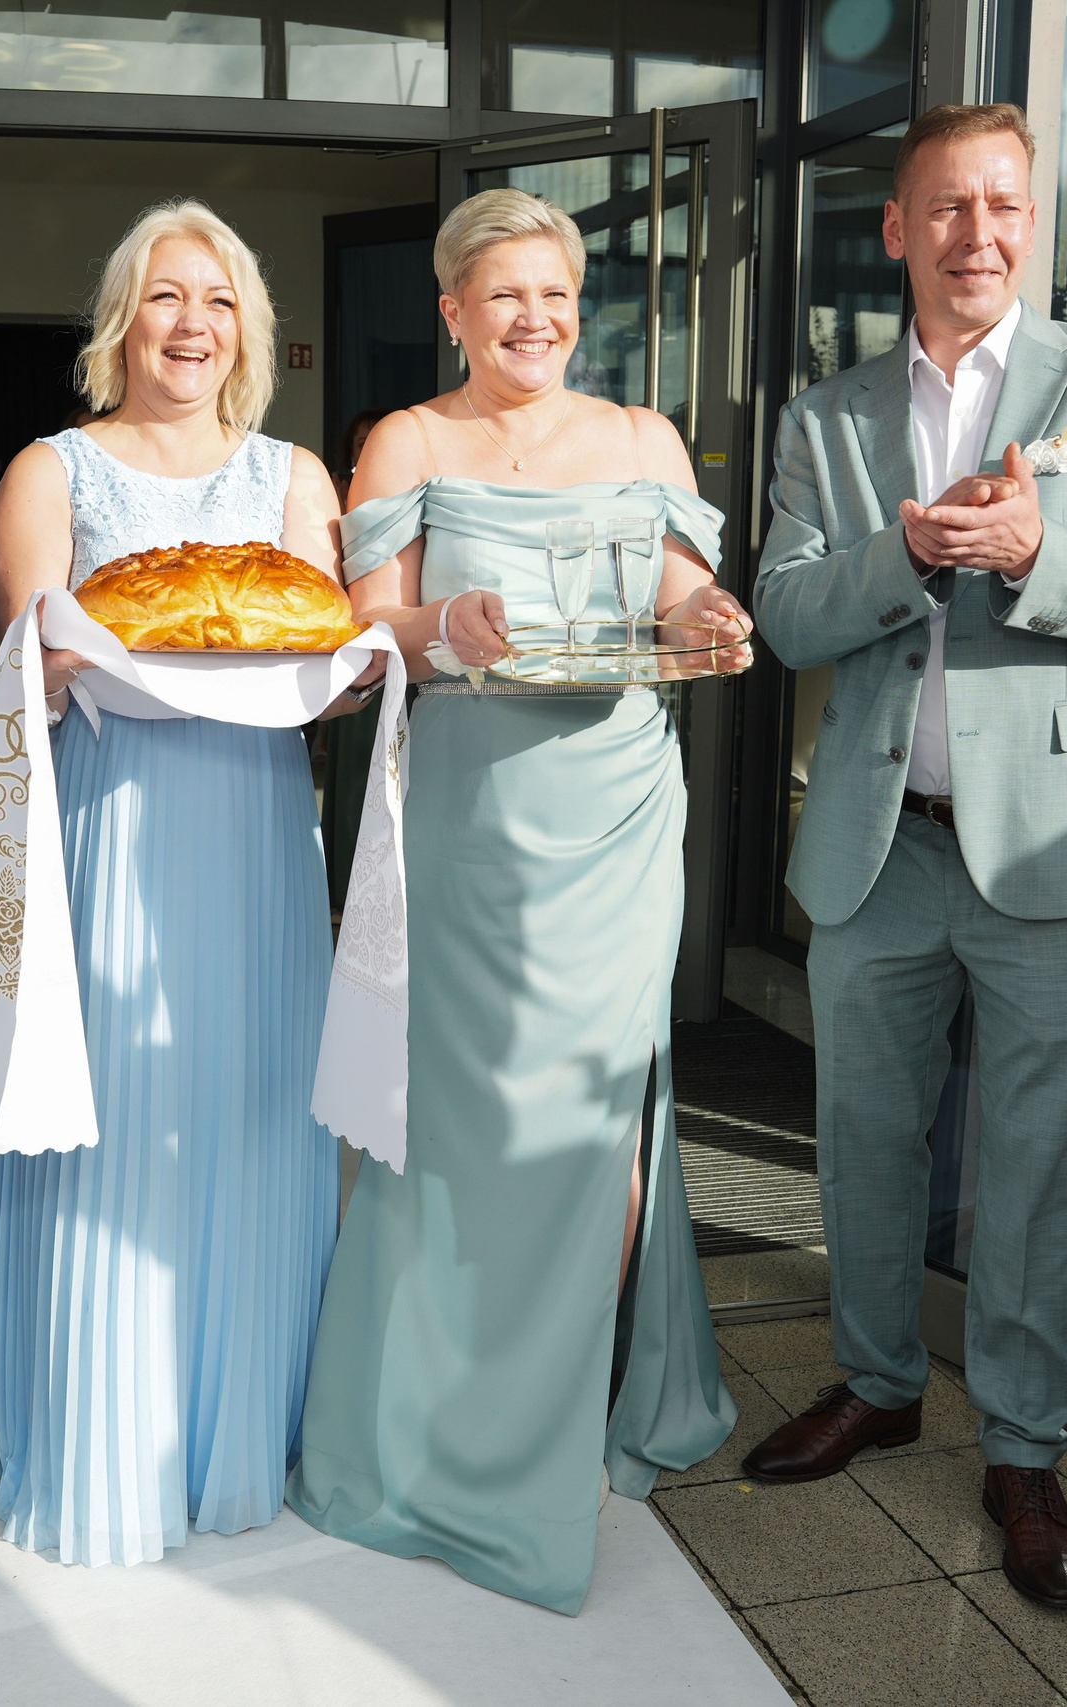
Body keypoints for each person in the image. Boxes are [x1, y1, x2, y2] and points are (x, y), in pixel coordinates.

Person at [742, 104, 1067, 1608]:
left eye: (1002, 205)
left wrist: (1030, 553)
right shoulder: (828, 414)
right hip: (879, 847)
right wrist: (912, 556)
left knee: (1030, 1169)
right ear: (895, 229)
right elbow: (788, 616)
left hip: (1052, 852)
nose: (977, 233)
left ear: (1033, 217)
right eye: (945, 207)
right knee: (867, 1140)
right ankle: (878, 1381)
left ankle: (1024, 1447)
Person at [289, 187, 744, 1616]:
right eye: (505, 298)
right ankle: (432, 1426)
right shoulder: (408, 441)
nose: (535, 320)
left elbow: (679, 602)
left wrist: (712, 622)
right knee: (464, 1120)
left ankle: (558, 1412)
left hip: (618, 814)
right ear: (454, 311)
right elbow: (360, 630)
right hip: (473, 824)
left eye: (555, 295)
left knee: (595, 1111)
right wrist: (436, 624)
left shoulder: (641, 441)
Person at [0, 199, 356, 1565]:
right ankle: (105, 1444)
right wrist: (65, 665)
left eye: (219, 299)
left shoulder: (299, 480)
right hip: (116, 838)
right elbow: (18, 682)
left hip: (257, 842)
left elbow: (325, 668)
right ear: (121, 319)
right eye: (165, 296)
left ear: (250, 326)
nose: (191, 323)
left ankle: (246, 1430)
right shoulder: (52, 470)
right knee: (116, 1129)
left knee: (254, 1114)